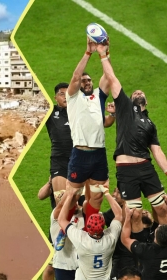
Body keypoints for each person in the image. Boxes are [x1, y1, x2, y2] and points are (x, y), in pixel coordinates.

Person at [55, 37, 116, 251]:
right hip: (79, 155)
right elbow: (74, 76)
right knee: (72, 197)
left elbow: (109, 77)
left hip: (99, 155)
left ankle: (90, 230)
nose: (86, 82)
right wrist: (88, 53)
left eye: (89, 80)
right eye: (84, 81)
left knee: (97, 195)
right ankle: (63, 229)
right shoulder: (73, 98)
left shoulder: (99, 96)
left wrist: (104, 53)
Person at [97, 41, 167, 224]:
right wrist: (104, 55)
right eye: (134, 93)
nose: (137, 93)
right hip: (126, 170)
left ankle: (161, 244)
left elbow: (157, 151)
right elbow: (111, 78)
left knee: (162, 208)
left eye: (140, 93)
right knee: (134, 215)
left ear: (146, 102)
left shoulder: (150, 123)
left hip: (146, 167)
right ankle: (134, 250)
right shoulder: (125, 108)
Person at [58, 184, 122, 280]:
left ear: (87, 227)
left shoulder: (81, 240)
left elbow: (61, 219)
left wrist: (70, 195)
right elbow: (119, 215)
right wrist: (107, 193)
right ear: (104, 225)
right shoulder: (110, 239)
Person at [121, 207, 167, 279]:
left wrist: (127, 217)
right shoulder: (146, 250)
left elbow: (125, 239)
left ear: (155, 237)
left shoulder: (146, 251)